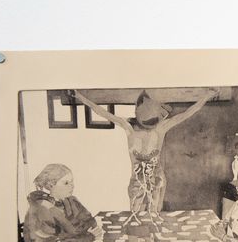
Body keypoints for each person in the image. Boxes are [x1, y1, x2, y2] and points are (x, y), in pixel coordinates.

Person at [74, 88, 218, 217]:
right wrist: (81, 98)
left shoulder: (161, 128)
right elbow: (102, 112)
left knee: (155, 216)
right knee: (136, 217)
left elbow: (187, 113)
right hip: (136, 182)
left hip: (157, 181)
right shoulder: (128, 127)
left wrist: (206, 96)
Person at [22, 164, 102, 242]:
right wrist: (85, 238)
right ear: (51, 185)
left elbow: (91, 223)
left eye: (72, 181)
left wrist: (76, 238)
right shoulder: (41, 209)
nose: (72, 186)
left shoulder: (71, 200)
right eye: (66, 183)